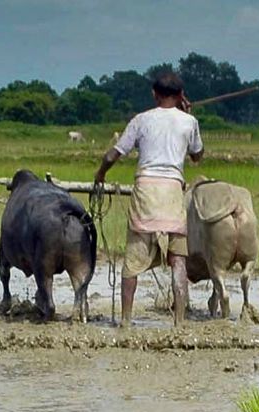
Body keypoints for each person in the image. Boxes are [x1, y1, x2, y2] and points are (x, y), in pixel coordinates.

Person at [93, 69, 203, 327]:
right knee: (178, 261)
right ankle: (179, 322)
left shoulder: (141, 120)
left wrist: (100, 175)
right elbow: (197, 156)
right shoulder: (190, 122)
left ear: (154, 94)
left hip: (146, 192)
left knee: (132, 261)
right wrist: (187, 116)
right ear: (180, 96)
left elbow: (112, 155)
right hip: (173, 193)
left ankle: (126, 320)